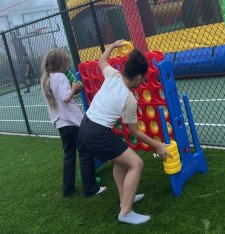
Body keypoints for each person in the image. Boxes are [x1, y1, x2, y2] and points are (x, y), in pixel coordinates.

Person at [78, 40, 172, 224]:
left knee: (120, 162)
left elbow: (101, 61)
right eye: (144, 78)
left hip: (85, 126)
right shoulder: (129, 99)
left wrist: (112, 46)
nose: (144, 81)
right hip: (98, 133)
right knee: (136, 164)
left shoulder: (113, 75)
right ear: (138, 77)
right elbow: (135, 132)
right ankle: (126, 212)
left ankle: (125, 199)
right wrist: (157, 145)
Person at [41, 49, 105, 197]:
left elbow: (60, 100)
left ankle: (68, 189)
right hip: (73, 123)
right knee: (85, 153)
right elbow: (65, 98)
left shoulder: (47, 79)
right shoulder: (61, 77)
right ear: (61, 63)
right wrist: (74, 88)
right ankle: (90, 189)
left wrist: (70, 93)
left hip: (61, 124)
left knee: (69, 156)